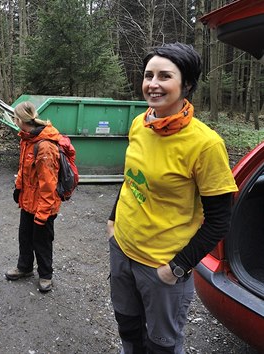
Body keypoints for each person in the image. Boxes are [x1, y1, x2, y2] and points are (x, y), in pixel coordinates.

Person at [106, 42, 238, 353]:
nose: (153, 84)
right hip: (122, 247)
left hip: (162, 265)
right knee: (127, 324)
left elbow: (220, 218)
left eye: (165, 76)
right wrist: (113, 221)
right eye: (148, 75)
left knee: (162, 344)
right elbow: (131, 177)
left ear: (187, 84)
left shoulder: (205, 144)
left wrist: (178, 266)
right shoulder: (141, 123)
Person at [5, 101, 62, 293]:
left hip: (43, 205)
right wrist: (18, 188)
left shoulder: (44, 146)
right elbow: (23, 168)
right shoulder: (27, 139)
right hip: (28, 201)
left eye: (14, 118)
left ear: (20, 120)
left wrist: (43, 213)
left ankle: (46, 275)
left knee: (42, 241)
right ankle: (25, 267)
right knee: (25, 237)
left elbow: (49, 185)